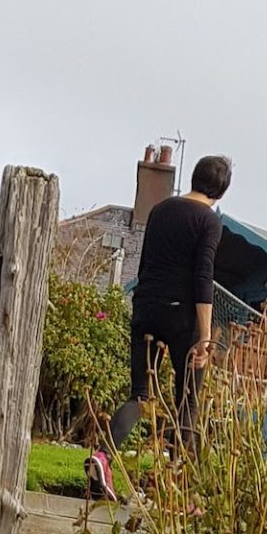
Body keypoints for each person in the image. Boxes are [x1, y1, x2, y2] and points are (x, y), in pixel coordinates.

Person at [109, 153, 231, 447]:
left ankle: (102, 457)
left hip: (146, 306)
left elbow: (145, 263)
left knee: (139, 395)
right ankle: (179, 480)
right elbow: (203, 278)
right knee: (187, 399)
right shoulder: (209, 221)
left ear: (193, 177)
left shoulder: (160, 210)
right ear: (222, 191)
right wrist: (204, 337)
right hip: (181, 316)